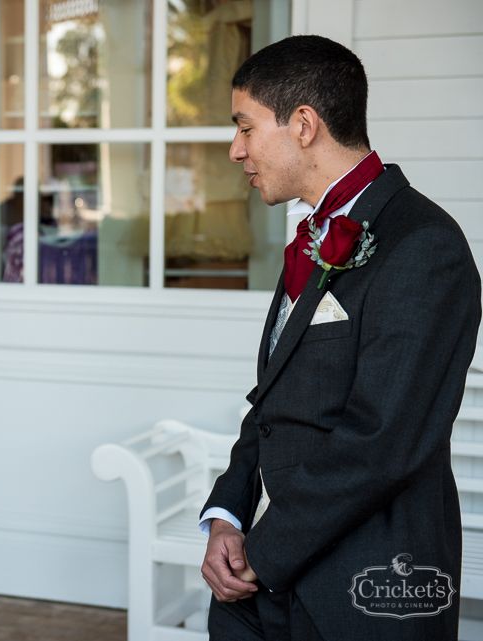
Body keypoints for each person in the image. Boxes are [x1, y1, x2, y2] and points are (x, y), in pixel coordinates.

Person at [199, 35, 481, 640]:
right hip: (265, 583)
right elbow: (272, 399)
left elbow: (383, 440)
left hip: (368, 586)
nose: (235, 149)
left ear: (303, 124)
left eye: (245, 128)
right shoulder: (313, 237)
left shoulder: (424, 245)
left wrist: (263, 553)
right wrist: (227, 515)